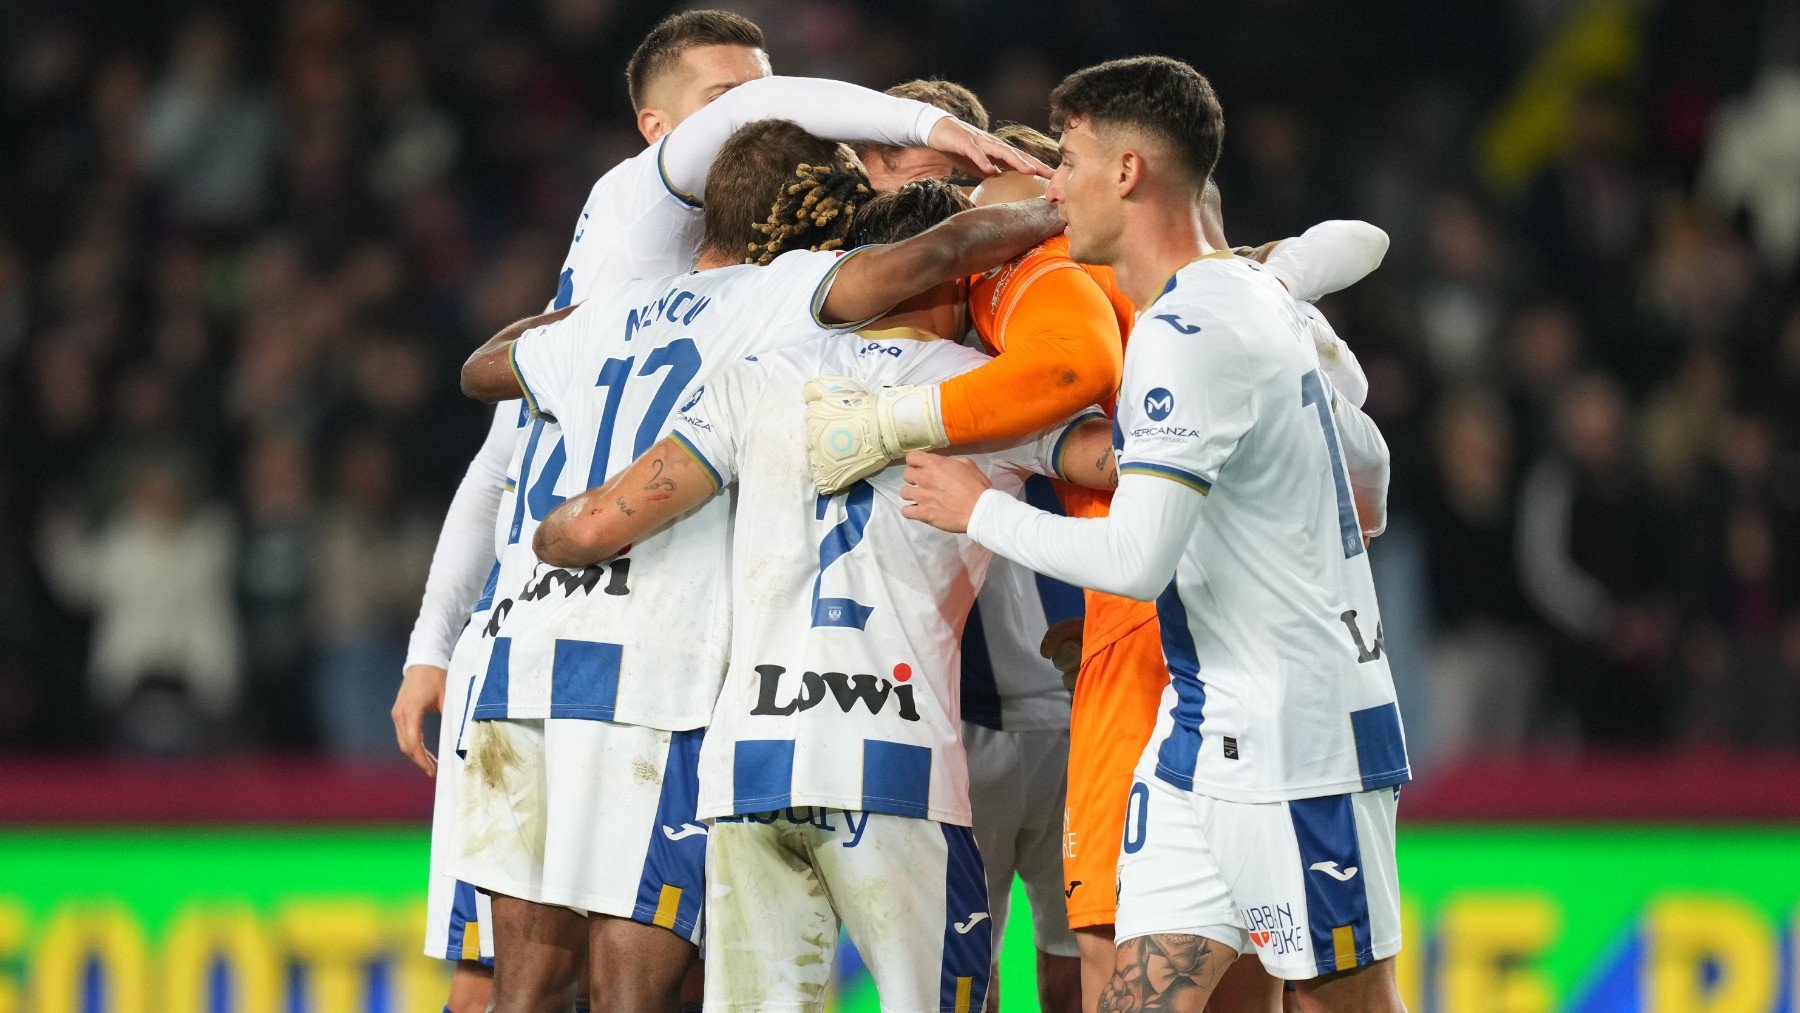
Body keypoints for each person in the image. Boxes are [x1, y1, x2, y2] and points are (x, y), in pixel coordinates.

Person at [386, 10, 1047, 1008]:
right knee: (642, 981)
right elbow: (920, 260)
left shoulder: (611, 299)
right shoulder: (780, 296)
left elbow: (485, 372)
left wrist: (575, 324)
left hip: (518, 657)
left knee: (510, 990)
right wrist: (1051, 204)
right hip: (651, 669)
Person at [811, 122, 1390, 1011]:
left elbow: (1097, 431)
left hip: (1227, 685)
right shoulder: (1240, 295)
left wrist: (905, 428)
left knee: (1135, 960)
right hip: (1193, 681)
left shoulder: (1035, 271)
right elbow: (1369, 476)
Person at [522, 178, 1117, 1012]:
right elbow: (1131, 460)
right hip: (899, 766)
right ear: (964, 281)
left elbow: (591, 528)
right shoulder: (989, 393)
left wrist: (542, 537)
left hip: (749, 769)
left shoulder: (758, 378)